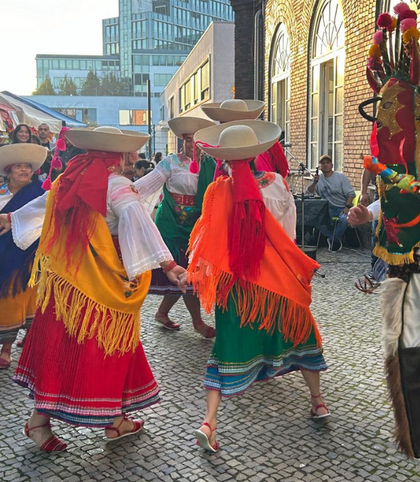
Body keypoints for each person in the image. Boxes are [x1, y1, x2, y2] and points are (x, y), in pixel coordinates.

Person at [0, 126, 187, 452]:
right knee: (106, 349)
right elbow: (138, 218)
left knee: (64, 349)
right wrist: (168, 264)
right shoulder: (115, 185)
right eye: (128, 154)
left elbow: (45, 203)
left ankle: (98, 420)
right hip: (102, 285)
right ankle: (85, 421)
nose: (132, 159)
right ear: (119, 155)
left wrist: (12, 218)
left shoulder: (71, 179)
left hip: (67, 283)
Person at [189, 121, 329, 452]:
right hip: (277, 280)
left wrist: (195, 271)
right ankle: (318, 402)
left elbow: (207, 237)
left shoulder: (218, 191)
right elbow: (289, 233)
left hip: (235, 286)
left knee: (225, 350)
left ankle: (209, 423)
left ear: (224, 160)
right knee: (302, 335)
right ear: (256, 155)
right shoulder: (277, 183)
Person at [134, 116, 216, 337]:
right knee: (182, 272)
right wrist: (123, 193)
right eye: (188, 140)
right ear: (182, 141)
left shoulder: (212, 165)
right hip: (170, 224)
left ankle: (162, 313)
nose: (192, 145)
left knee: (187, 274)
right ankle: (197, 322)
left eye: (197, 141)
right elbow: (147, 184)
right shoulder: (170, 163)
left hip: (197, 227)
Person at [0, 143, 47, 368]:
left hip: (29, 254)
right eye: (19, 166)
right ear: (8, 171)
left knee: (21, 297)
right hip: (3, 251)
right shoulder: (1, 193)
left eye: (27, 166)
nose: (24, 170)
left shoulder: (40, 193)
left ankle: (8, 347)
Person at [306, 155, 355, 252]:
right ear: (319, 167)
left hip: (342, 207)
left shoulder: (340, 177)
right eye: (323, 163)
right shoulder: (318, 179)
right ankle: (332, 238)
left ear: (332, 165)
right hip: (326, 209)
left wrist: (347, 207)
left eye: (327, 163)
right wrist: (314, 183)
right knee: (313, 218)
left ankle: (333, 240)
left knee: (344, 219)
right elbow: (308, 192)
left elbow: (350, 194)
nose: (325, 165)